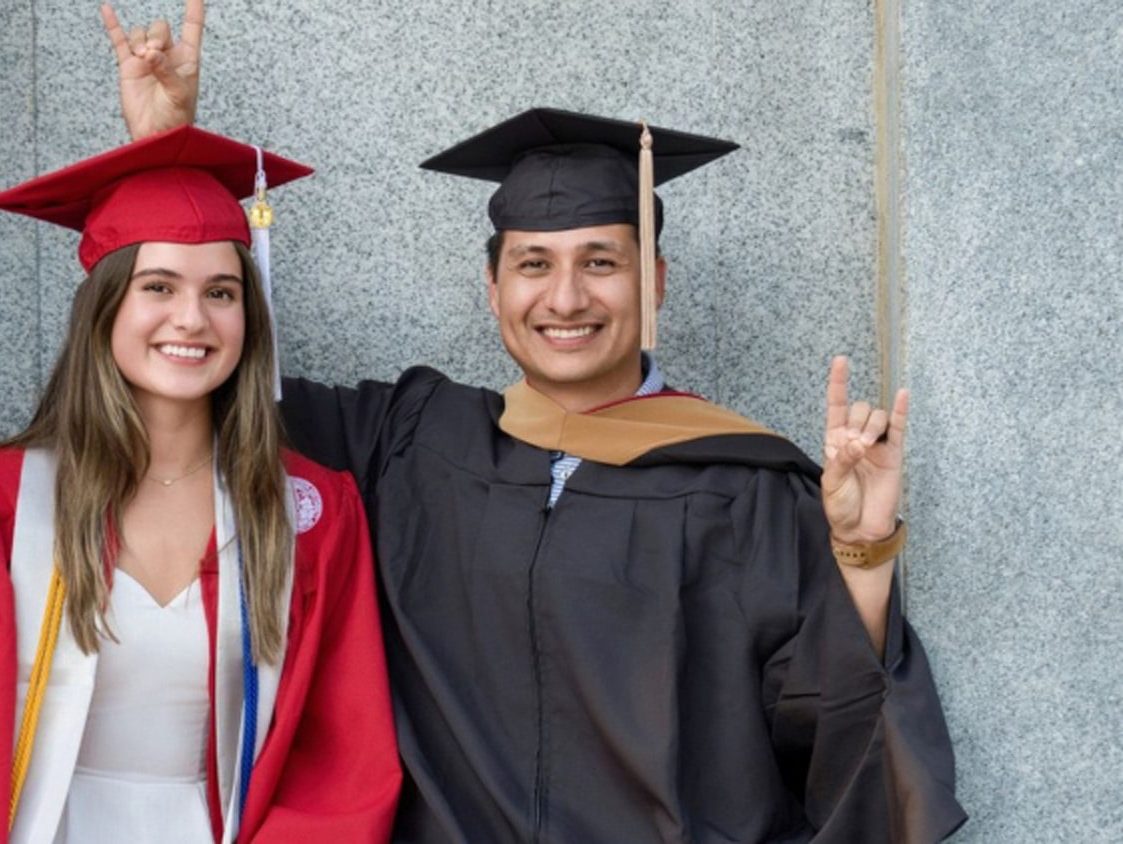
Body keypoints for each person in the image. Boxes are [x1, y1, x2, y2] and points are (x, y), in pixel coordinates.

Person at [106, 3, 965, 842]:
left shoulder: (744, 487)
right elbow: (198, 381)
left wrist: (861, 552)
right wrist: (163, 157)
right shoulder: (409, 439)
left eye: (601, 262)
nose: (565, 298)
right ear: (493, 288)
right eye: (532, 264)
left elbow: (835, 733)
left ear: (654, 281)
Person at [0, 120, 400, 842]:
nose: (192, 317)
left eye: (221, 292)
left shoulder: (307, 513)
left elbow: (342, 760)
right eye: (159, 286)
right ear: (106, 307)